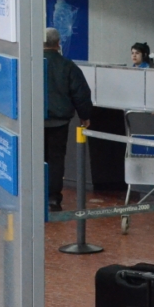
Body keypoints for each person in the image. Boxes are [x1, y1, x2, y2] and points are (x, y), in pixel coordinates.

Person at [44, 27, 93, 212]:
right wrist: (85, 116)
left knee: (35, 159)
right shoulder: (68, 66)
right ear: (58, 44)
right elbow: (81, 94)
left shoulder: (31, 64)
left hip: (34, 122)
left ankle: (35, 197)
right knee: (56, 160)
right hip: (59, 122)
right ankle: (53, 199)